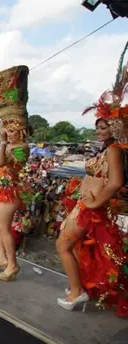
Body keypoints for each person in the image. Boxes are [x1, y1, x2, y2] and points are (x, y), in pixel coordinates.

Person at [56, 43, 128, 316]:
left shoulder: (113, 150)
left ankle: (78, 292)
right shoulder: (106, 149)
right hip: (85, 206)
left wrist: (96, 203)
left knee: (63, 245)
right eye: (97, 126)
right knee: (71, 247)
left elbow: (116, 182)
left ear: (116, 125)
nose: (99, 130)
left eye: (104, 125)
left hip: (90, 208)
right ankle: (78, 287)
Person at [0, 65, 31, 282]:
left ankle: (13, 265)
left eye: (12, 131)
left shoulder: (22, 147)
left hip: (10, 191)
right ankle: (2, 257)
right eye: (7, 130)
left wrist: (3, 141)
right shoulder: (12, 145)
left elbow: (0, 162)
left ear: (21, 130)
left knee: (3, 227)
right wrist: (4, 141)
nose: (9, 134)